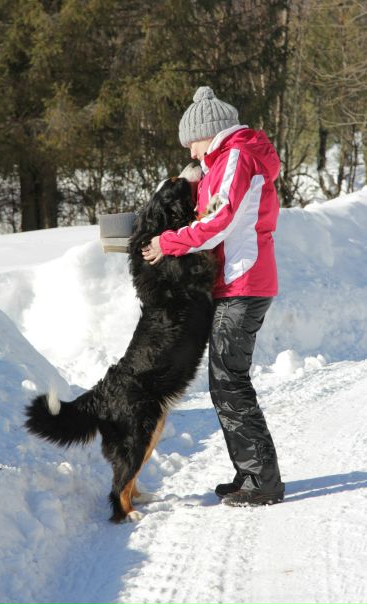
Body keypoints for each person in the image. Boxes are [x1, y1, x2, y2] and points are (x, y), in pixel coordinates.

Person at [142, 86, 285, 506]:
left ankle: (262, 481)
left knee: (229, 381)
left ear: (210, 132)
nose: (191, 152)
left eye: (192, 143)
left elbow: (218, 220)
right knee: (225, 382)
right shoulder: (226, 159)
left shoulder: (236, 156)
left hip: (244, 281)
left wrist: (167, 243)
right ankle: (250, 473)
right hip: (239, 280)